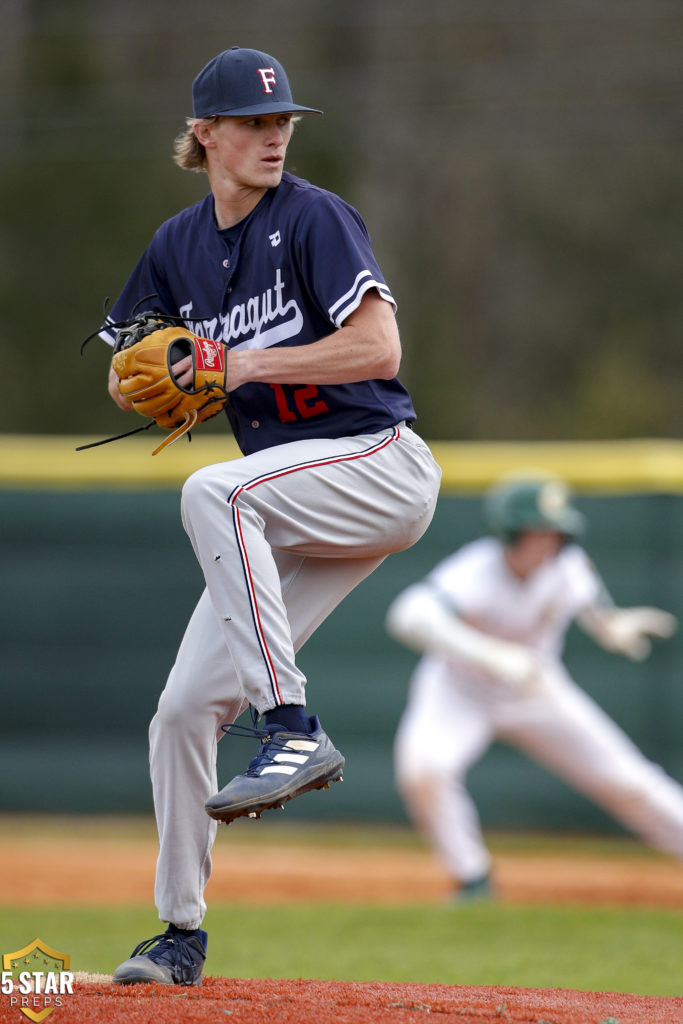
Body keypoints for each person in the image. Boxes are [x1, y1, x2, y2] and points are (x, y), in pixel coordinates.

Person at [101, 47, 442, 985]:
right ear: (204, 134)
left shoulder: (314, 216)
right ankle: (178, 935)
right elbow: (125, 370)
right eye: (253, 122)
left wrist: (237, 367)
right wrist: (155, 379)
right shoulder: (175, 245)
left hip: (378, 466)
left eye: (283, 119)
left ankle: (291, 722)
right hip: (293, 507)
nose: (274, 134)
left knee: (214, 488)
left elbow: (379, 345)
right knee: (179, 714)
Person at [386, 473, 683, 902]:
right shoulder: (475, 569)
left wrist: (613, 627)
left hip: (535, 689)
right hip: (458, 689)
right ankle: (473, 878)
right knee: (423, 771)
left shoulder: (568, 566)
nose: (549, 540)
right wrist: (489, 654)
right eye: (538, 530)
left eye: (556, 531)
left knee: (629, 780)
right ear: (510, 531)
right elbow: (408, 616)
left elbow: (596, 611)